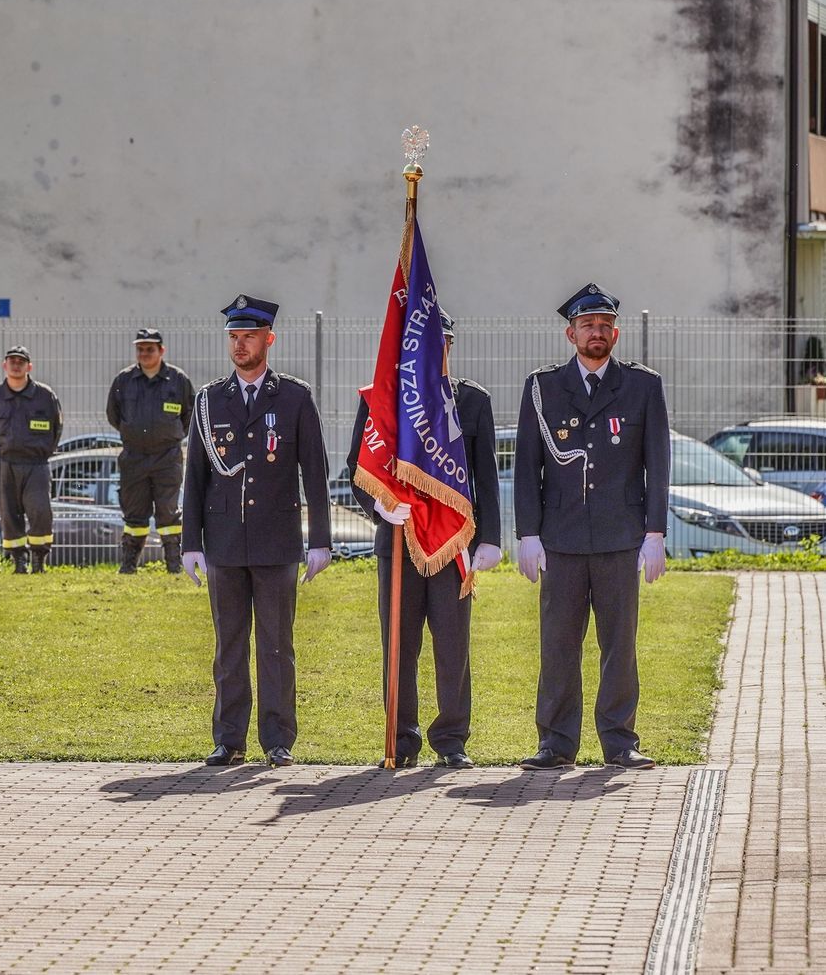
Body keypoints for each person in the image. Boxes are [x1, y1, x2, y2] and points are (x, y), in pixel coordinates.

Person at [514, 283, 670, 771]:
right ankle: (556, 743)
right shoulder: (543, 387)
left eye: (604, 325)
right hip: (560, 539)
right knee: (558, 645)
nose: (596, 332)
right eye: (587, 326)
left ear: (615, 334)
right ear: (571, 334)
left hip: (620, 536)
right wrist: (528, 533)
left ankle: (620, 741)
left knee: (619, 646)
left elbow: (658, 463)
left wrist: (655, 533)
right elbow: (527, 465)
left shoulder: (643, 386)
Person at [346, 310, 501, 769]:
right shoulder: (380, 398)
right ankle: (401, 738)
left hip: (452, 545)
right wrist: (379, 506)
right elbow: (359, 466)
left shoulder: (472, 400)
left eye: (442, 343)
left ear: (449, 346)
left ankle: (451, 740)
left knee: (452, 645)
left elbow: (486, 476)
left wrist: (489, 539)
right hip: (397, 540)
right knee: (399, 645)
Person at [181, 295, 331, 767]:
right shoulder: (209, 400)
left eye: (248, 336)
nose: (239, 345)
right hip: (224, 542)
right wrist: (190, 543)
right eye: (233, 336)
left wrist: (320, 541)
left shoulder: (294, 397)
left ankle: (277, 739)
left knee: (276, 645)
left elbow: (316, 473)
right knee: (228, 646)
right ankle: (229, 739)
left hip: (276, 541)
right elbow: (195, 476)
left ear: (269, 339)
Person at [106, 328, 194, 573]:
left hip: (167, 457)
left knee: (168, 511)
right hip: (134, 456)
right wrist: (133, 432)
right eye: (140, 349)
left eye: (150, 349)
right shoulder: (123, 381)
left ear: (161, 350)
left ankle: (174, 565)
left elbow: (190, 415)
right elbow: (113, 414)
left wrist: (170, 435)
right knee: (134, 511)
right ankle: (129, 565)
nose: (144, 353)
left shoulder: (178, 380)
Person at [0, 345, 63, 573]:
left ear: (29, 367)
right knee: (8, 514)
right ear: (4, 365)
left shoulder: (45, 396)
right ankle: (19, 561)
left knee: (40, 511)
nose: (16, 365)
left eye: (20, 362)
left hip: (36, 465)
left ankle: (39, 560)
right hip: (4, 464)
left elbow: (57, 428)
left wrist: (43, 451)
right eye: (11, 361)